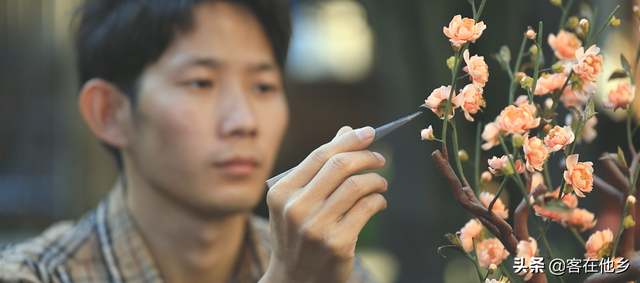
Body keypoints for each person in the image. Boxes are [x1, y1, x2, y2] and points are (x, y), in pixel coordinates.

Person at [0, 0, 388, 282]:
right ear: (110, 113)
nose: (244, 121)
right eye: (200, 82)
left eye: (264, 86)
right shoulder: (34, 275)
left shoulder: (331, 269)